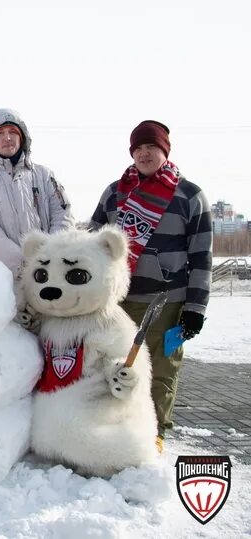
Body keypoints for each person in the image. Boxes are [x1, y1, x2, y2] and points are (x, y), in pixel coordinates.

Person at [89, 120, 212, 452]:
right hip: (118, 302)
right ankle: (113, 430)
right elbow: (92, 244)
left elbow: (201, 258)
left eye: (151, 148)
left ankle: (155, 434)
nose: (144, 154)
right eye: (138, 148)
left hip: (167, 301)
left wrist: (195, 309)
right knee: (113, 367)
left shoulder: (189, 196)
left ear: (165, 151)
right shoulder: (115, 192)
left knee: (160, 371)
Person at [0, 108, 74, 276]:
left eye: (13, 132)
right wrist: (24, 265)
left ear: (22, 137)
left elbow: (63, 216)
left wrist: (48, 257)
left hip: (50, 273)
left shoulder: (44, 175)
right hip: (4, 275)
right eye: (0, 133)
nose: (7, 138)